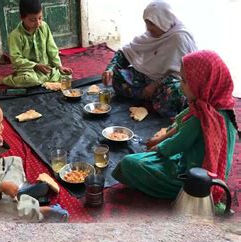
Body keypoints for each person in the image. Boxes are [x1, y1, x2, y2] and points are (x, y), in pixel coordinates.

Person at [112, 50, 240, 212]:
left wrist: (158, 147)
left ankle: (183, 192)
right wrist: (161, 139)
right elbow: (180, 125)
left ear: (203, 84)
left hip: (192, 178)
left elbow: (175, 145)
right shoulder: (221, 107)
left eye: (185, 82)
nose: (180, 85)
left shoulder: (202, 117)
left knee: (130, 163)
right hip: (211, 172)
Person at [0, 96, 69, 222]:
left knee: (14, 160)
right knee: (4, 208)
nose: (2, 128)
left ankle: (19, 190)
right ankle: (41, 212)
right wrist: (1, 187)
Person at [102, 1, 197, 117]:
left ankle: (151, 100)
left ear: (163, 21)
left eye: (152, 24)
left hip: (168, 83)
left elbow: (181, 74)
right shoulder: (150, 37)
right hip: (147, 81)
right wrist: (111, 69)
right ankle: (151, 100)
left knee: (175, 93)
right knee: (117, 78)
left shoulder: (179, 38)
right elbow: (125, 53)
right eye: (147, 23)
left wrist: (155, 85)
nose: (148, 28)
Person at [0, 0, 72, 88]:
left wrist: (59, 66)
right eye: (32, 20)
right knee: (30, 80)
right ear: (22, 18)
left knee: (67, 77)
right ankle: (6, 80)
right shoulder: (15, 36)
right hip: (28, 70)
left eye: (40, 18)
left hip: (46, 68)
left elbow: (52, 49)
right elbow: (16, 59)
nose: (38, 23)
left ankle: (44, 80)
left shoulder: (44, 27)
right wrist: (35, 66)